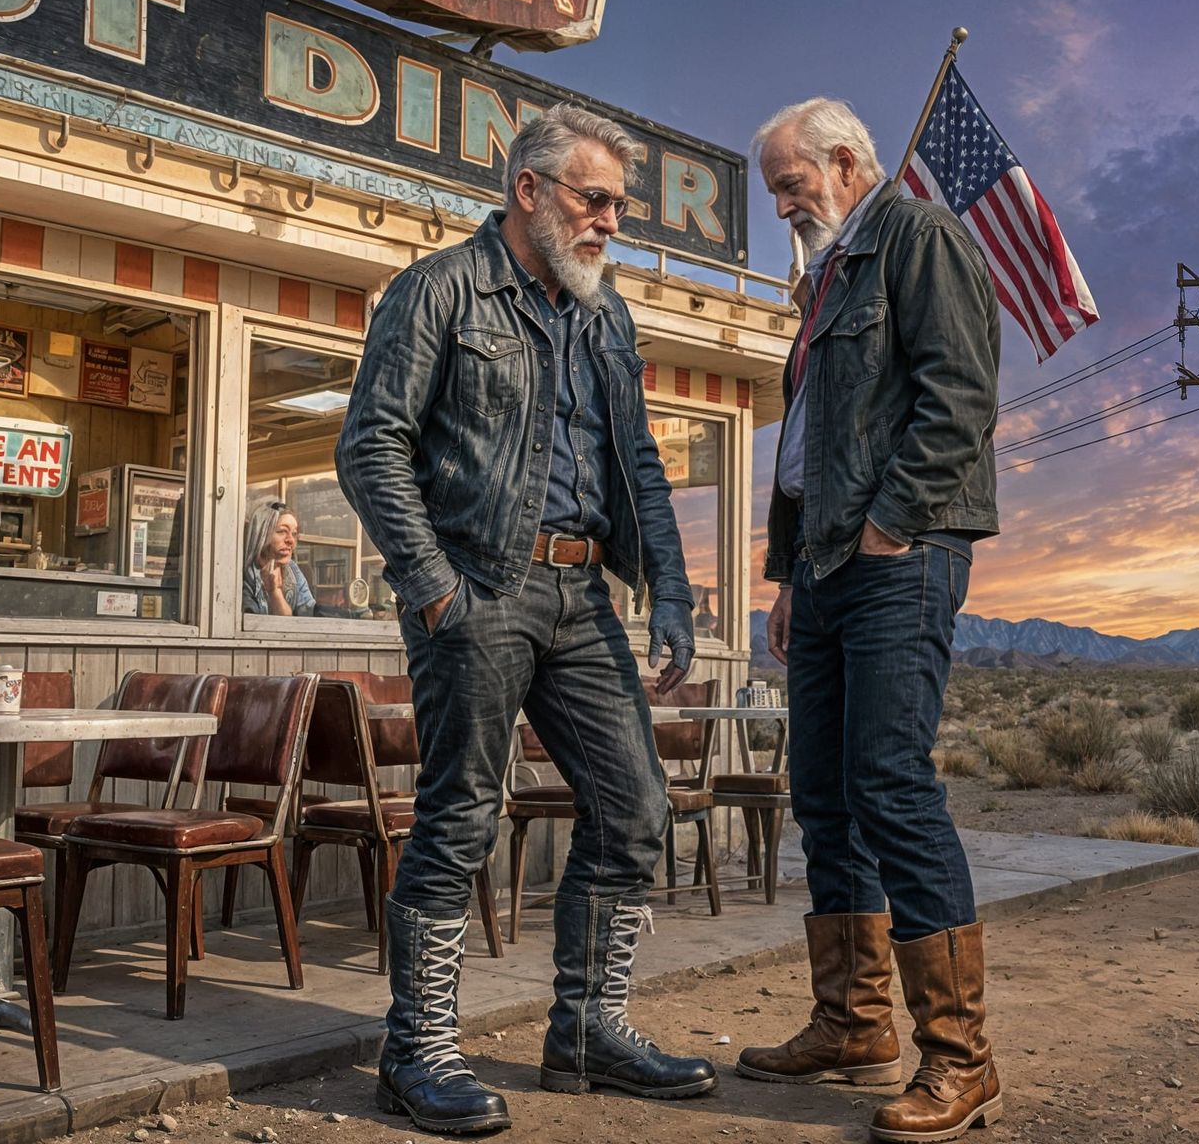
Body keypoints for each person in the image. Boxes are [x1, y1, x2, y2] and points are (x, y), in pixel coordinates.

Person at [335, 102, 710, 1136]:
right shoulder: (440, 291)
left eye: (620, 206)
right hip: (479, 585)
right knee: (460, 816)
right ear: (530, 191)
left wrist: (668, 588)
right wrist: (434, 584)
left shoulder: (604, 314)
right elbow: (371, 446)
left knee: (635, 807)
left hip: (584, 593)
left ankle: (587, 1031)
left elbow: (637, 465)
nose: (611, 222)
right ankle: (416, 1056)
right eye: (595, 199)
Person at [737, 98, 1004, 1142]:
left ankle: (961, 1060)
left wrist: (893, 524)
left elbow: (960, 395)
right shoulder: (826, 279)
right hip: (825, 565)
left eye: (788, 181)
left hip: (901, 556)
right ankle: (852, 1022)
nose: (780, 202)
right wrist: (791, 576)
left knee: (889, 782)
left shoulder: (919, 238)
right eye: (772, 188)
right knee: (825, 790)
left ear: (846, 162)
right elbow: (810, 445)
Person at [242, 500, 316, 616]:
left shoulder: (293, 570)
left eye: (294, 533)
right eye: (282, 531)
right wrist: (274, 592)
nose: (290, 540)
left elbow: (309, 615)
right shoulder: (246, 576)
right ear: (262, 534)